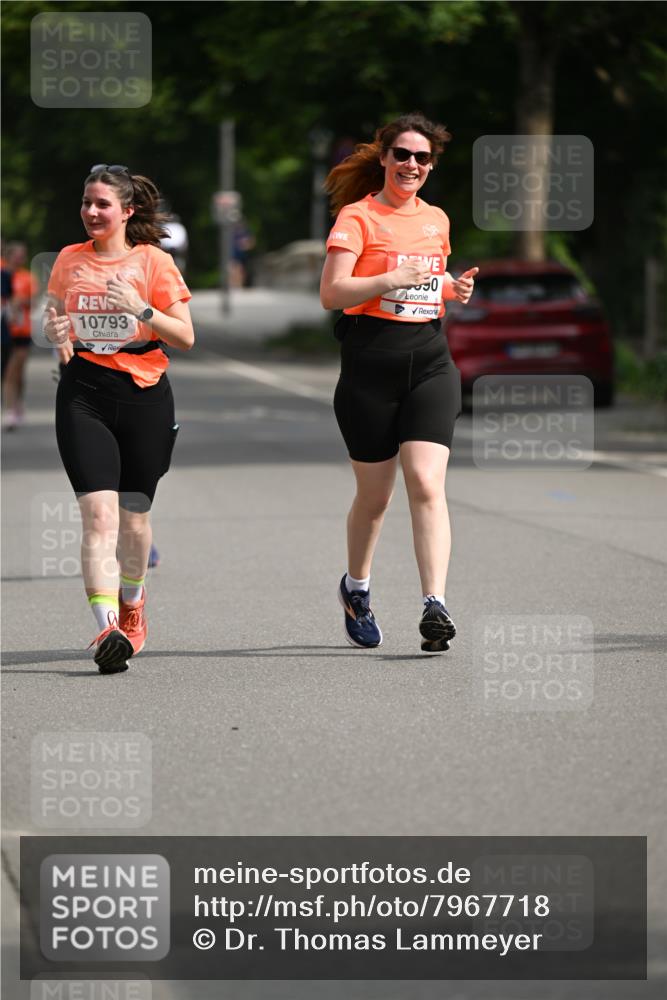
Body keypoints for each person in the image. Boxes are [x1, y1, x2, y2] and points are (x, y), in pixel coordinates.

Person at [320, 112, 478, 653]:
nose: (412, 164)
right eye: (403, 155)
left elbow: (426, 289)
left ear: (432, 166)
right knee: (375, 496)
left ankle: (435, 604)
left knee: (427, 482)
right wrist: (391, 277)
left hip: (430, 360)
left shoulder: (437, 219)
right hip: (369, 364)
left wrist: (449, 292)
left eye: (423, 158)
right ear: (384, 157)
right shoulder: (357, 217)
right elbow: (333, 293)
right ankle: (356, 588)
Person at [44, 164, 194, 674]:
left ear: (127, 212)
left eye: (102, 204)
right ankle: (107, 626)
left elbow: (186, 336)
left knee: (133, 519)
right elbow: (54, 313)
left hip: (144, 395)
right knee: (99, 517)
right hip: (84, 392)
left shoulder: (153, 262)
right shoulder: (68, 260)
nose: (90, 212)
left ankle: (133, 603)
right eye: (86, 202)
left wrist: (141, 309)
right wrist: (58, 332)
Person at [2, 242, 39, 429]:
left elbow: (35, 300)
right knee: (8, 371)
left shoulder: (27, 277)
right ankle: (11, 409)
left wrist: (21, 301)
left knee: (17, 371)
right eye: (17, 254)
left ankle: (15, 406)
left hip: (22, 330)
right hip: (4, 329)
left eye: (23, 255)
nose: (20, 258)